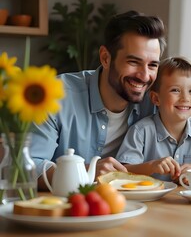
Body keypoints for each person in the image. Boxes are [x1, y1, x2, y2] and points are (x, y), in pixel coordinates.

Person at [30, 10, 167, 189]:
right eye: (133, 62)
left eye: (152, 65)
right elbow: (29, 168)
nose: (144, 76)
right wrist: (85, 174)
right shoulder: (55, 95)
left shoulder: (156, 102)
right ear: (105, 58)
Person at [116, 57, 191, 181]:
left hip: (186, 198)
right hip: (150, 198)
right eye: (175, 90)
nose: (185, 98)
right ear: (156, 99)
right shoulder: (140, 131)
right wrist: (151, 166)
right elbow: (123, 170)